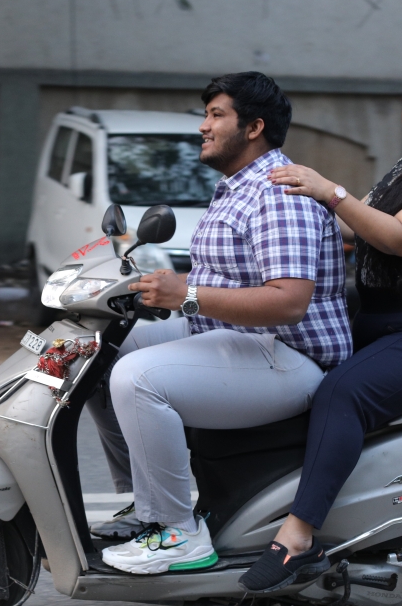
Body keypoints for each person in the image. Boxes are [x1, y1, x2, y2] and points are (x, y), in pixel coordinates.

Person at [238, 60, 402, 593]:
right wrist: (277, 214)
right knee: (275, 354)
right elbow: (352, 222)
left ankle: (298, 536)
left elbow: (399, 238)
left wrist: (328, 190)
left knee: (341, 393)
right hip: (384, 317)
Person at [87, 71, 352, 575]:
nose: (203, 127)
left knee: (136, 378)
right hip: (236, 337)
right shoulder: (238, 186)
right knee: (99, 350)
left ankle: (177, 533)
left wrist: (186, 296)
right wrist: (161, 286)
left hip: (288, 355)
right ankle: (146, 508)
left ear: (253, 128)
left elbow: (288, 302)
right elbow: (226, 275)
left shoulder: (278, 192)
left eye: (216, 115)